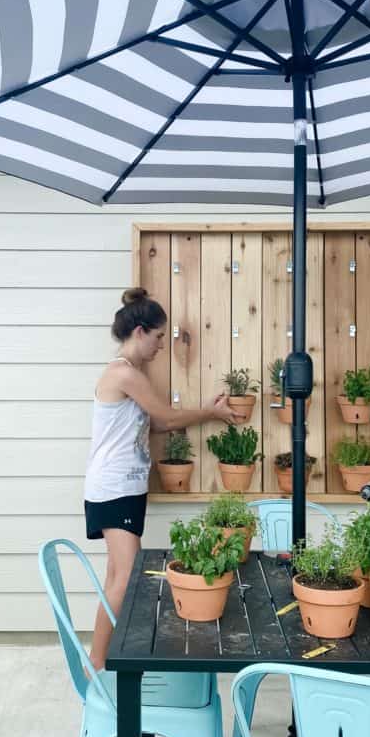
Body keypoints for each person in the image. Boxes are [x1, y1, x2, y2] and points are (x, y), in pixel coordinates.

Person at [84, 287, 243, 670]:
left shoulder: (130, 374)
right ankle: (98, 666)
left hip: (123, 486)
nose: (160, 346)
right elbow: (168, 418)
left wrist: (200, 415)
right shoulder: (123, 374)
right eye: (158, 338)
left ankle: (102, 661)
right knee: (125, 578)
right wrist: (208, 413)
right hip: (114, 487)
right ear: (140, 331)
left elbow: (153, 423)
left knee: (117, 577)